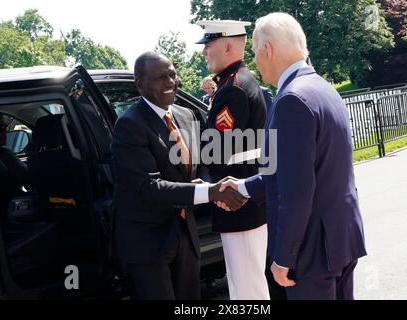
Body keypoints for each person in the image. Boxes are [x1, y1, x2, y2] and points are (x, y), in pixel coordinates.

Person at [218, 12, 367, 300]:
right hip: (339, 239)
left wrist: (285, 256)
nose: (255, 63)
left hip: (311, 252)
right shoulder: (322, 88)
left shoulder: (291, 100)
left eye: (255, 53)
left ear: (269, 50)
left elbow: (296, 190)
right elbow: (296, 172)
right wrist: (242, 186)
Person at [110, 52, 247, 300]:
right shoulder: (130, 125)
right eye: (161, 77)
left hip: (185, 233)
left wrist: (207, 184)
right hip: (147, 241)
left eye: (172, 74)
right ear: (140, 83)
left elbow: (201, 163)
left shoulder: (186, 115)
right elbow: (149, 186)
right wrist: (208, 192)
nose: (171, 82)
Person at [196, 20, 270, 300]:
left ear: (227, 45)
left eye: (208, 45)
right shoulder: (235, 82)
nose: (204, 52)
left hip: (237, 201)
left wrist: (207, 185)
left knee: (247, 288)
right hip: (241, 199)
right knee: (246, 283)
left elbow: (216, 150)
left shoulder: (233, 88)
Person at [0, 113, 30, 214]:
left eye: (6, 127)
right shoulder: (4, 154)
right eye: (2, 127)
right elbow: (27, 177)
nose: (6, 131)